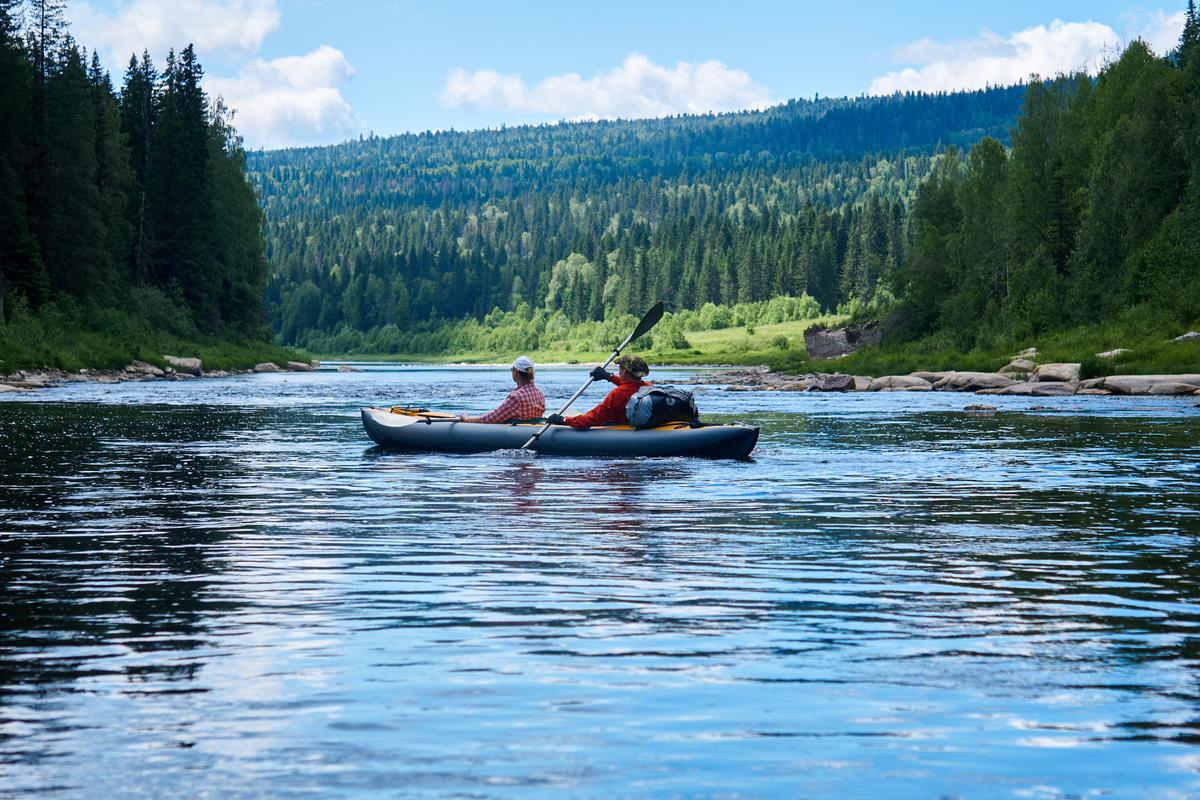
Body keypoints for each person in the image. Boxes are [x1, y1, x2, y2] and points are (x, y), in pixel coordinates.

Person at [546, 354, 649, 429]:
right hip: (642, 424)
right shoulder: (648, 387)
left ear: (624, 372)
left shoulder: (617, 394)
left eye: (620, 368)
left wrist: (563, 420)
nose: (619, 371)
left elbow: (591, 419)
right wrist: (608, 376)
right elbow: (631, 386)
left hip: (619, 428)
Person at [459, 356, 545, 423]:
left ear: (516, 372)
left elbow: (493, 417)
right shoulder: (539, 394)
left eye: (512, 369)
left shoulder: (516, 398)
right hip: (532, 430)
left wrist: (468, 419)